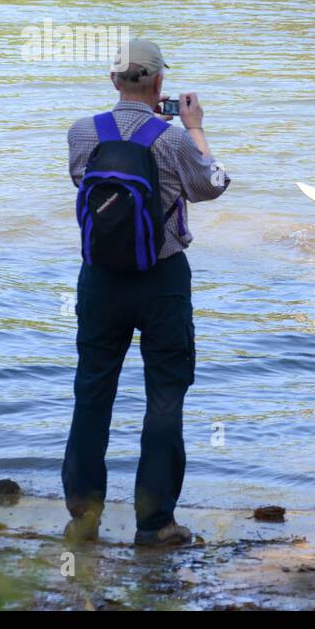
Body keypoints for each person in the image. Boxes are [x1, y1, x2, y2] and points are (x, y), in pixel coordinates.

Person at [63, 38, 230, 546]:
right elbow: (213, 185)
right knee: (164, 397)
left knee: (92, 392)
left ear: (113, 81)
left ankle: (83, 517)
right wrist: (196, 127)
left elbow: (82, 185)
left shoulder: (82, 131)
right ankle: (155, 524)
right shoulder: (174, 139)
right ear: (160, 84)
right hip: (162, 280)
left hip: (100, 277)